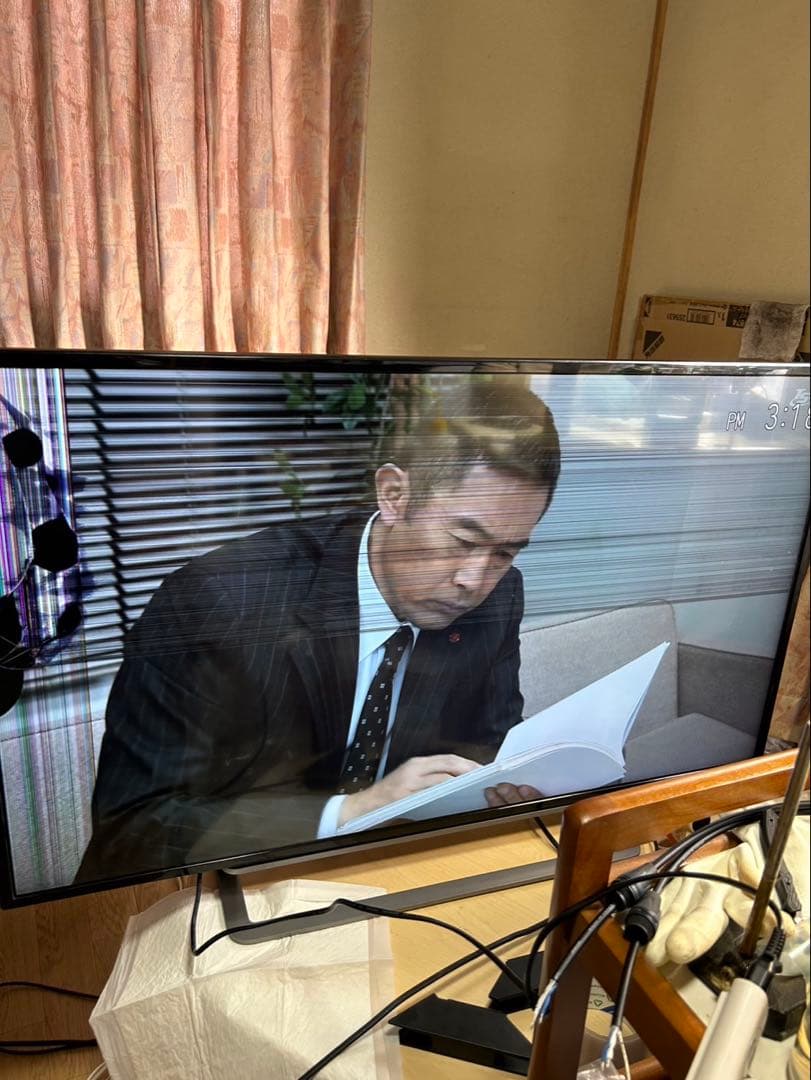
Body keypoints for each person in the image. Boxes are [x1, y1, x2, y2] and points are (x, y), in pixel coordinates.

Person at [76, 376, 561, 880]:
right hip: (212, 886)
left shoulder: (499, 597)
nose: (474, 582)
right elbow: (133, 828)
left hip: (385, 872)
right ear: (394, 494)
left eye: (505, 552)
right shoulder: (218, 602)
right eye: (462, 541)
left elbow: (488, 746)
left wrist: (505, 786)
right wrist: (349, 812)